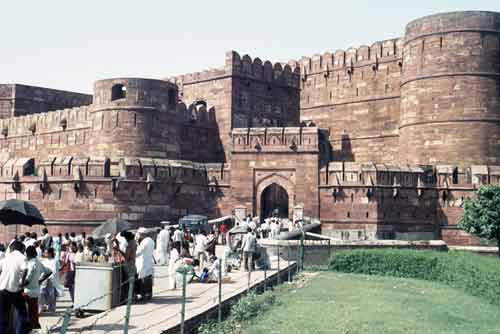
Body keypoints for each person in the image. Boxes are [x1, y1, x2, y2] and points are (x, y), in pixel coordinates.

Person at [0, 240, 28, 334]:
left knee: (3, 315)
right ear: (21, 249)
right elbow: (25, 269)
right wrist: (22, 283)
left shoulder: (5, 257)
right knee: (22, 313)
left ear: (12, 248)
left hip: (2, 290)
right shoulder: (22, 257)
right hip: (14, 290)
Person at [23, 245, 52, 331]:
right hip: (36, 290)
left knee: (29, 312)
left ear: (28, 254)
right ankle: (35, 327)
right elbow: (49, 271)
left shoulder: (31, 264)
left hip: (28, 291)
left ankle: (31, 328)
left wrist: (21, 285)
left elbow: (28, 279)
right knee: (34, 310)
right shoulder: (38, 262)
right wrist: (40, 280)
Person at [40, 248, 63, 313]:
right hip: (43, 280)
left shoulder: (55, 261)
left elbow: (55, 271)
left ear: (50, 253)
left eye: (46, 252)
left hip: (51, 280)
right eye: (44, 252)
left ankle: (52, 309)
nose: (45, 254)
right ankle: (42, 307)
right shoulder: (43, 261)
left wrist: (49, 278)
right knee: (42, 294)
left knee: (51, 295)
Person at [135, 228, 155, 301]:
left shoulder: (144, 241)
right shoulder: (151, 240)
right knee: (148, 278)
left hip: (143, 263)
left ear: (142, 234)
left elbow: (138, 252)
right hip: (148, 262)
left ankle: (143, 296)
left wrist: (131, 255)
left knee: (143, 280)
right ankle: (149, 295)